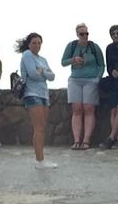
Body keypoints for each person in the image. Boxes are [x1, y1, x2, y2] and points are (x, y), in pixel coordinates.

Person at [17, 33, 57, 168]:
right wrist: (42, 73)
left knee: (42, 127)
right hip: (32, 93)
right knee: (38, 127)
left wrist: (42, 72)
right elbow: (33, 74)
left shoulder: (43, 59)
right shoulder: (27, 55)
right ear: (29, 44)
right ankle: (40, 160)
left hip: (44, 94)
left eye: (39, 43)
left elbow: (52, 76)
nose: (37, 45)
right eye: (34, 42)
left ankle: (41, 157)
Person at [61, 25, 104, 149]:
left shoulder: (94, 47)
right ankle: (76, 140)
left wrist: (98, 78)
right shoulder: (72, 46)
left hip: (91, 80)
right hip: (75, 79)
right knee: (77, 109)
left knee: (89, 108)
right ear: (77, 35)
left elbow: (101, 64)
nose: (84, 36)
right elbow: (63, 62)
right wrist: (73, 60)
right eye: (82, 34)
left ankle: (86, 140)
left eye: (86, 33)